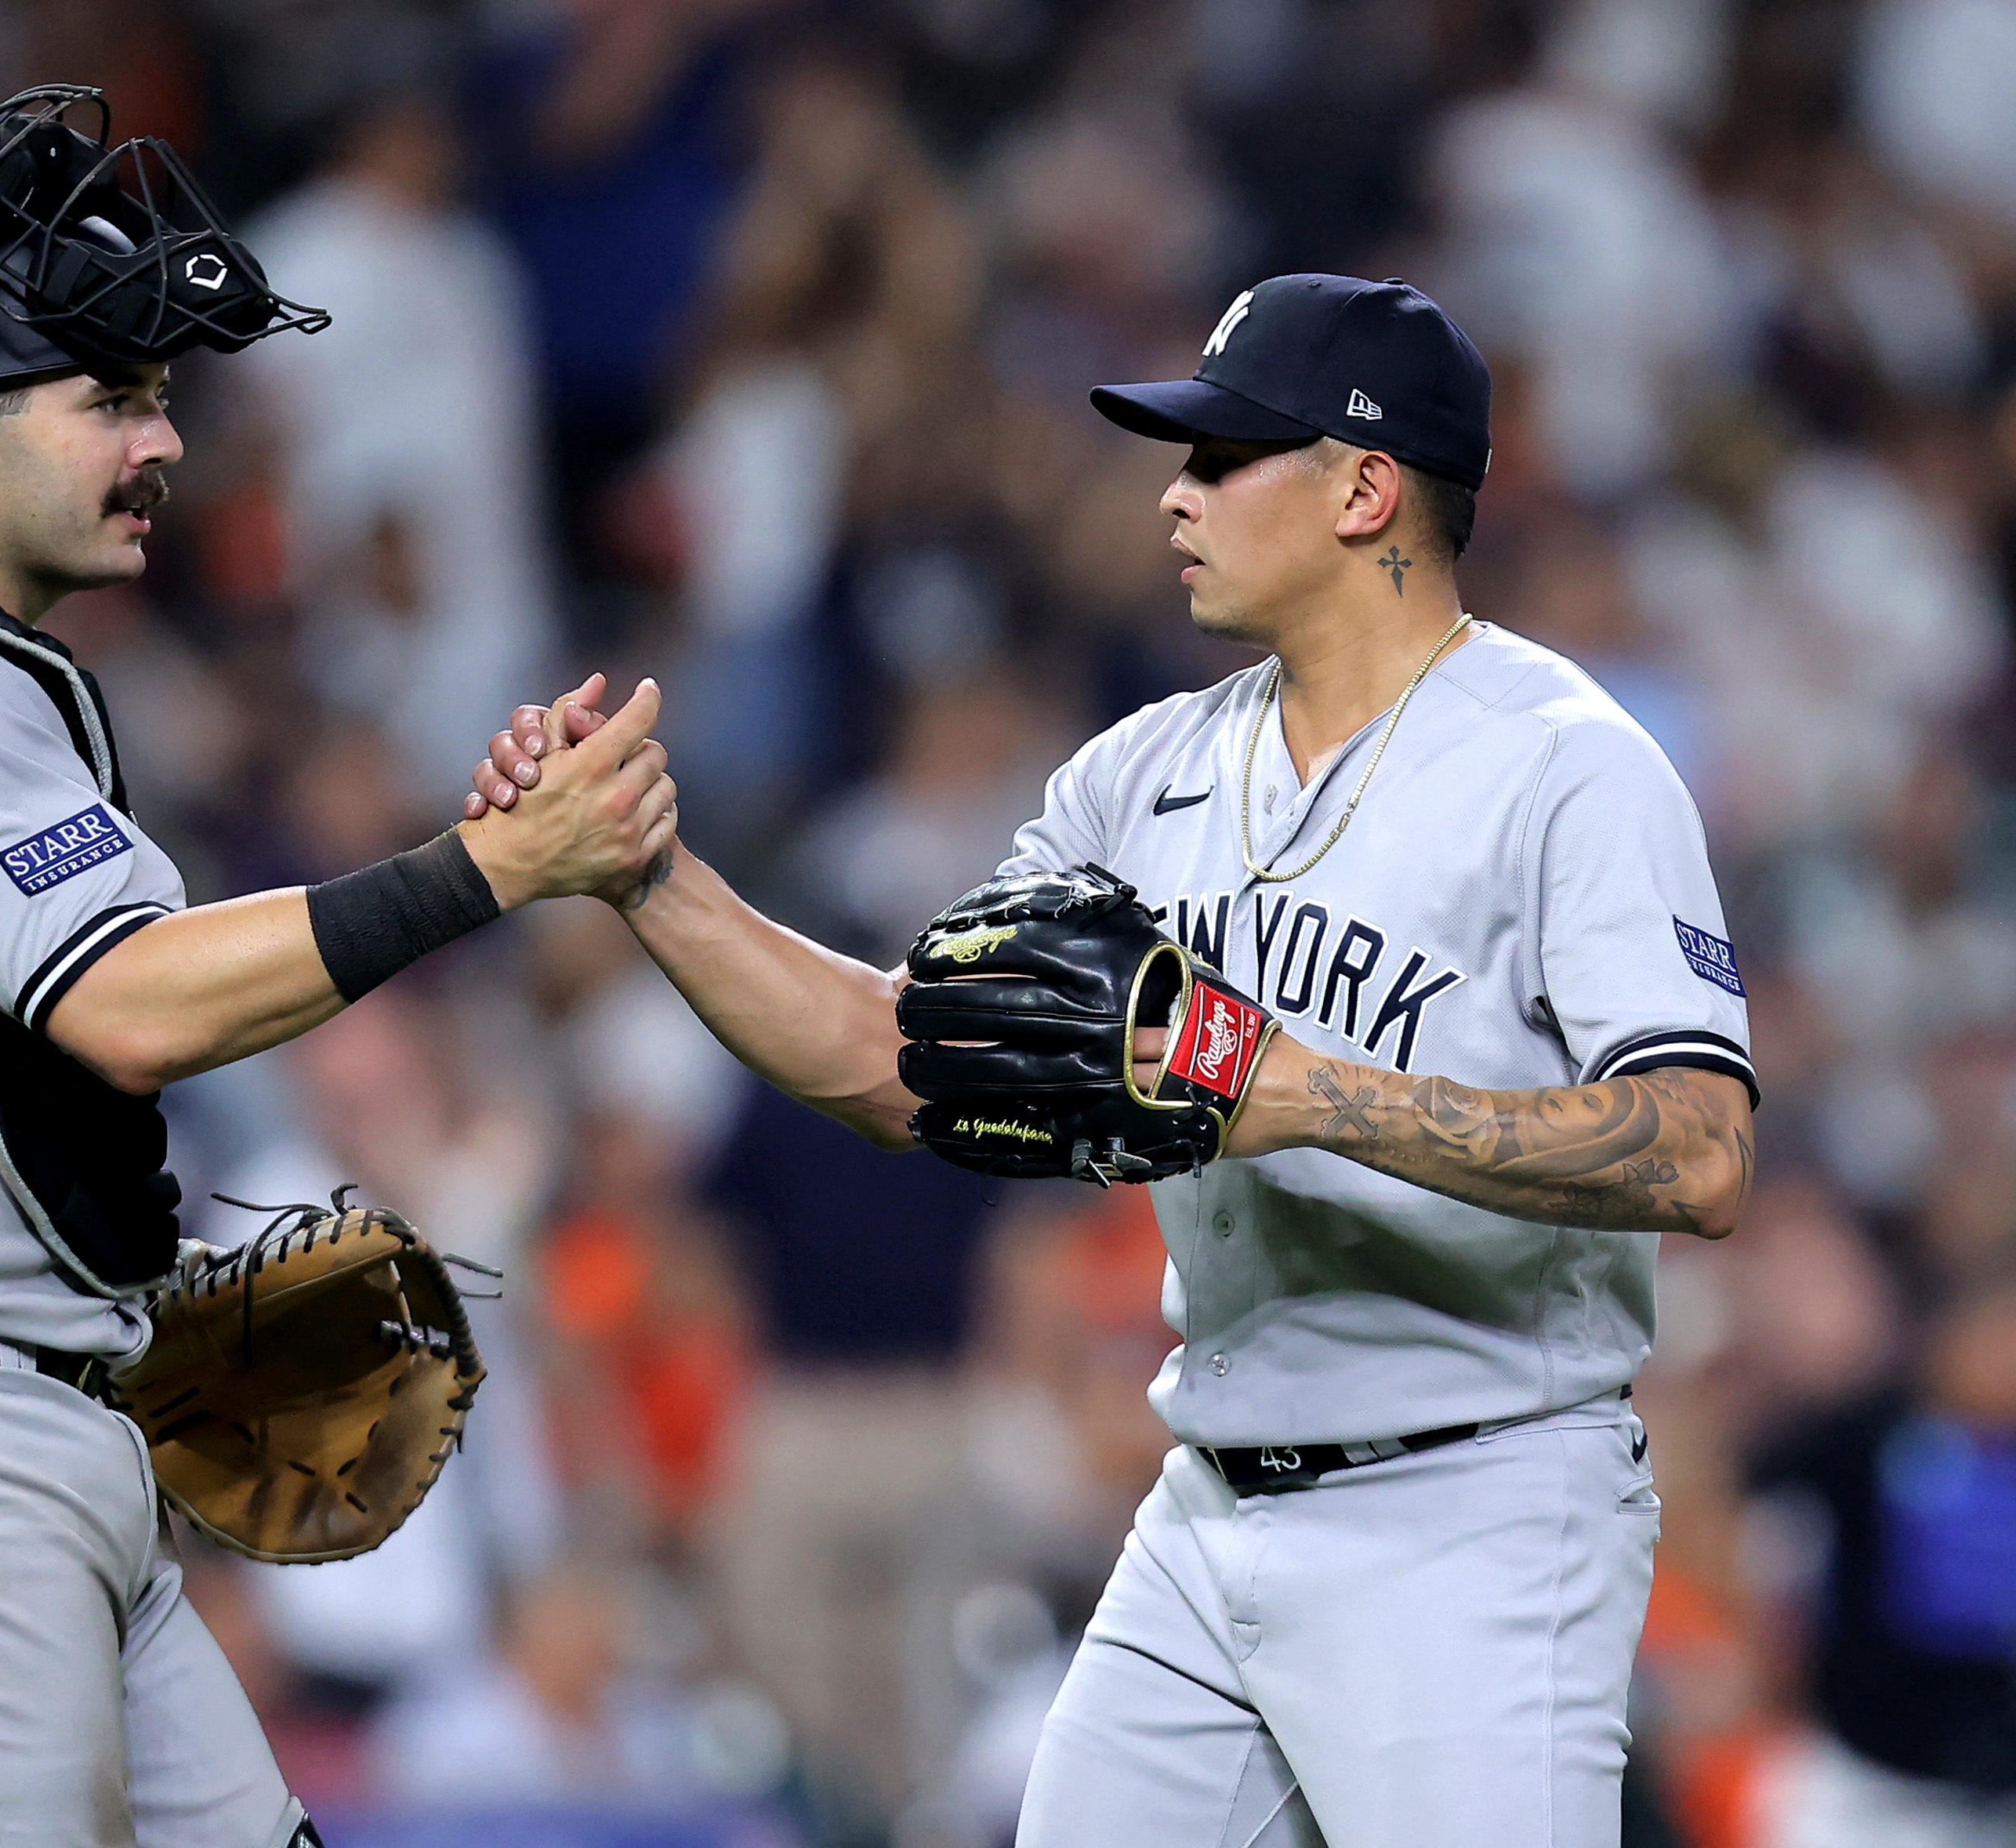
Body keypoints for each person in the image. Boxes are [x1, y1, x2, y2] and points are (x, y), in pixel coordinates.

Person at [471, 274, 1755, 1845]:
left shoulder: (1567, 768)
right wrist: (650, 882)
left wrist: (1283, 1090)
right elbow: (901, 1060)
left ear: (1364, 489)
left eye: (1223, 459)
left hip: (1474, 1508)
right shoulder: (1137, 776)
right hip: (1207, 1498)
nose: (1175, 490)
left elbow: (1695, 1150)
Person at [0, 88, 674, 1848]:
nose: (162, 440)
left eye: (165, 397)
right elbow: (126, 1006)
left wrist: (155, 1290)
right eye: (113, 395)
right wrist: (488, 869)